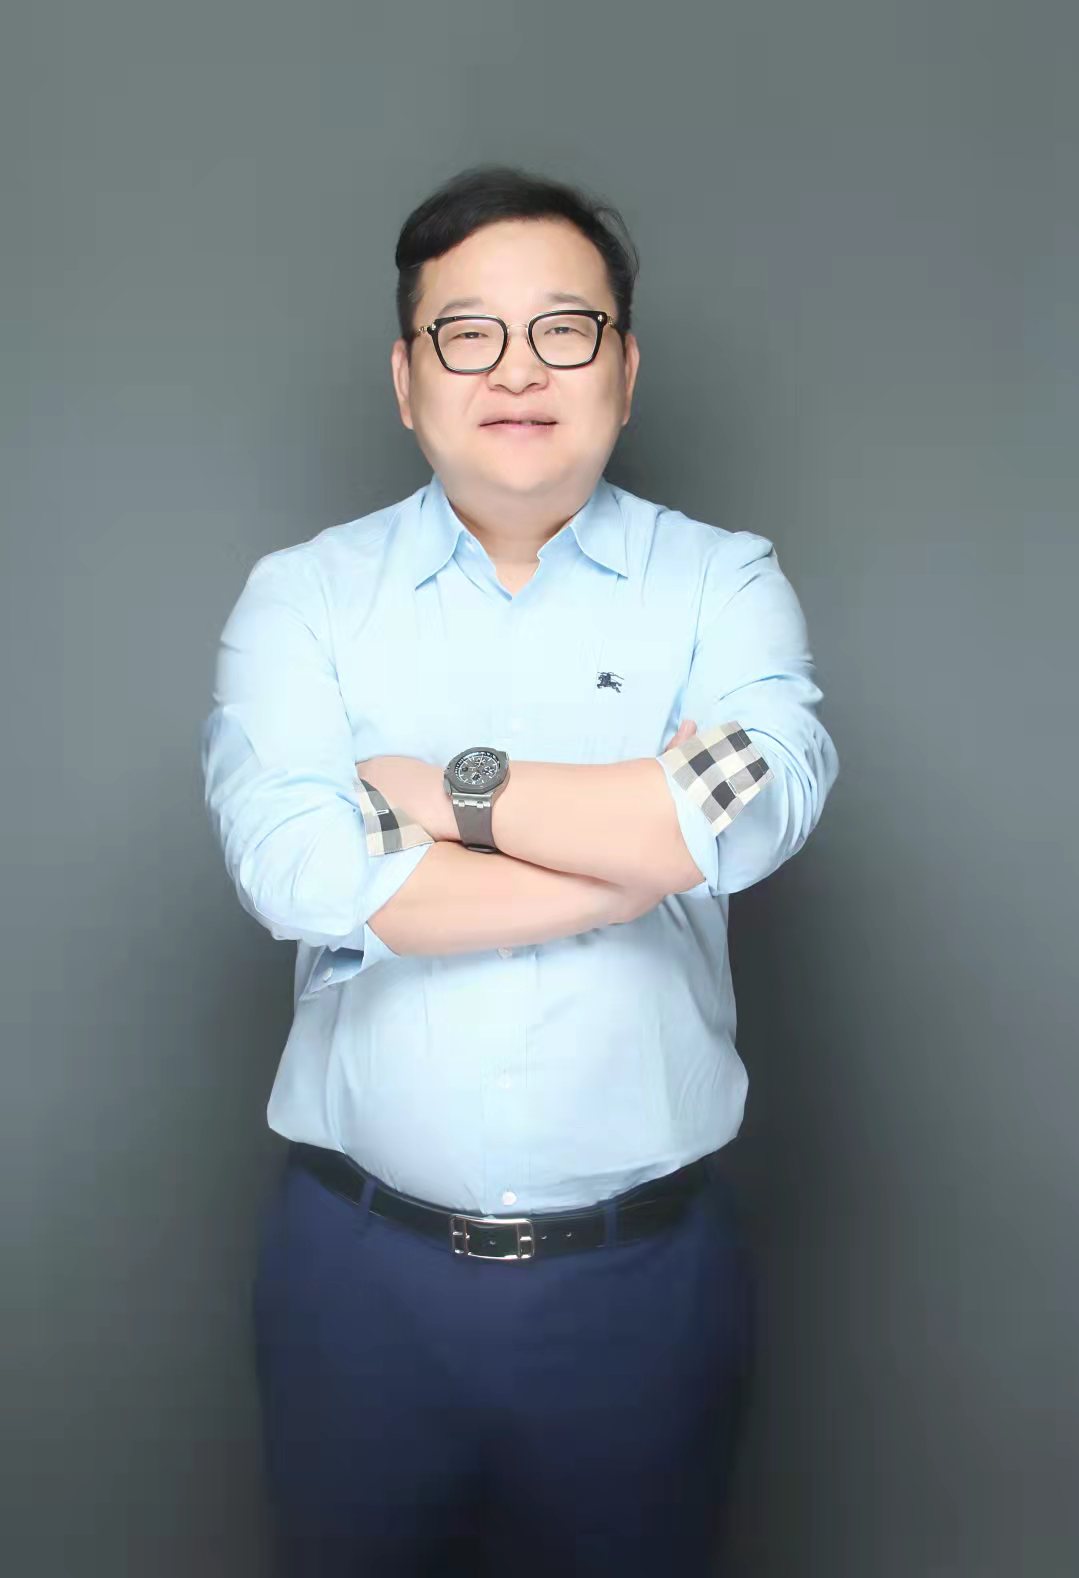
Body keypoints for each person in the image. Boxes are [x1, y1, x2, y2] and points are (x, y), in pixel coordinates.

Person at [200, 163, 840, 1577]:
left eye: (564, 327)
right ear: (406, 378)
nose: (517, 368)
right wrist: (632, 853)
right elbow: (300, 869)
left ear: (625, 367)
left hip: (644, 1288)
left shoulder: (723, 582)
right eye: (468, 332)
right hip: (359, 1285)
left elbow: (754, 810)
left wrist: (447, 798)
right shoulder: (304, 598)